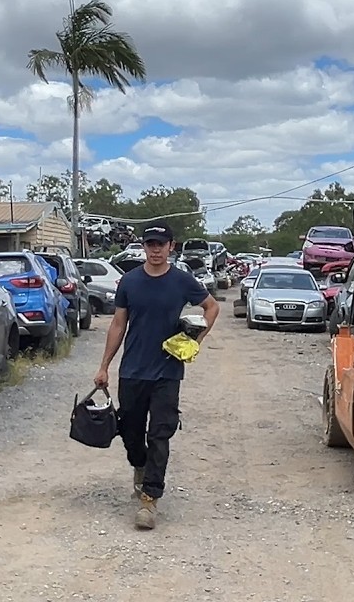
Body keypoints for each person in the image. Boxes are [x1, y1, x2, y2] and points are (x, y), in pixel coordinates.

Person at [94, 222, 220, 530]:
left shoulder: (182, 281)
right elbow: (117, 325)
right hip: (133, 370)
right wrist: (104, 366)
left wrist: (194, 341)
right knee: (131, 432)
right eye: (150, 244)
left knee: (160, 434)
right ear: (144, 247)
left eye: (161, 245)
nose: (155, 250)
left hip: (167, 371)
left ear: (171, 247)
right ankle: (140, 465)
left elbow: (212, 307)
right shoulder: (129, 282)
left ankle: (150, 499)